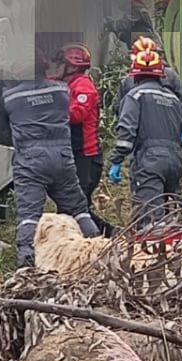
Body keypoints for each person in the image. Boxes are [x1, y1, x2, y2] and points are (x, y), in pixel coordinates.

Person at [0, 50, 101, 267]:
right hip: (63, 158)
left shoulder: (10, 98)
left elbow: (2, 130)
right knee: (79, 209)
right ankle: (99, 252)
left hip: (30, 162)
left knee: (29, 216)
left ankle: (26, 265)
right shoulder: (62, 90)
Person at [107, 44, 182, 232]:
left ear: (135, 75)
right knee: (176, 218)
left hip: (150, 161)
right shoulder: (174, 99)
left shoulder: (134, 95)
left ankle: (154, 258)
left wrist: (117, 160)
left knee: (151, 223)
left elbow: (126, 132)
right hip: (175, 160)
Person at [54, 45, 109, 231]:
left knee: (76, 207)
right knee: (72, 207)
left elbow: (77, 114)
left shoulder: (83, 85)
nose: (56, 68)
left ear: (71, 66)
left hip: (86, 157)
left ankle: (109, 235)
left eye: (60, 64)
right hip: (76, 155)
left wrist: (50, 111)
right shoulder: (69, 85)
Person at [122, 36, 182, 139]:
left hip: (170, 131)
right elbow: (122, 110)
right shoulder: (128, 81)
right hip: (142, 137)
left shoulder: (169, 75)